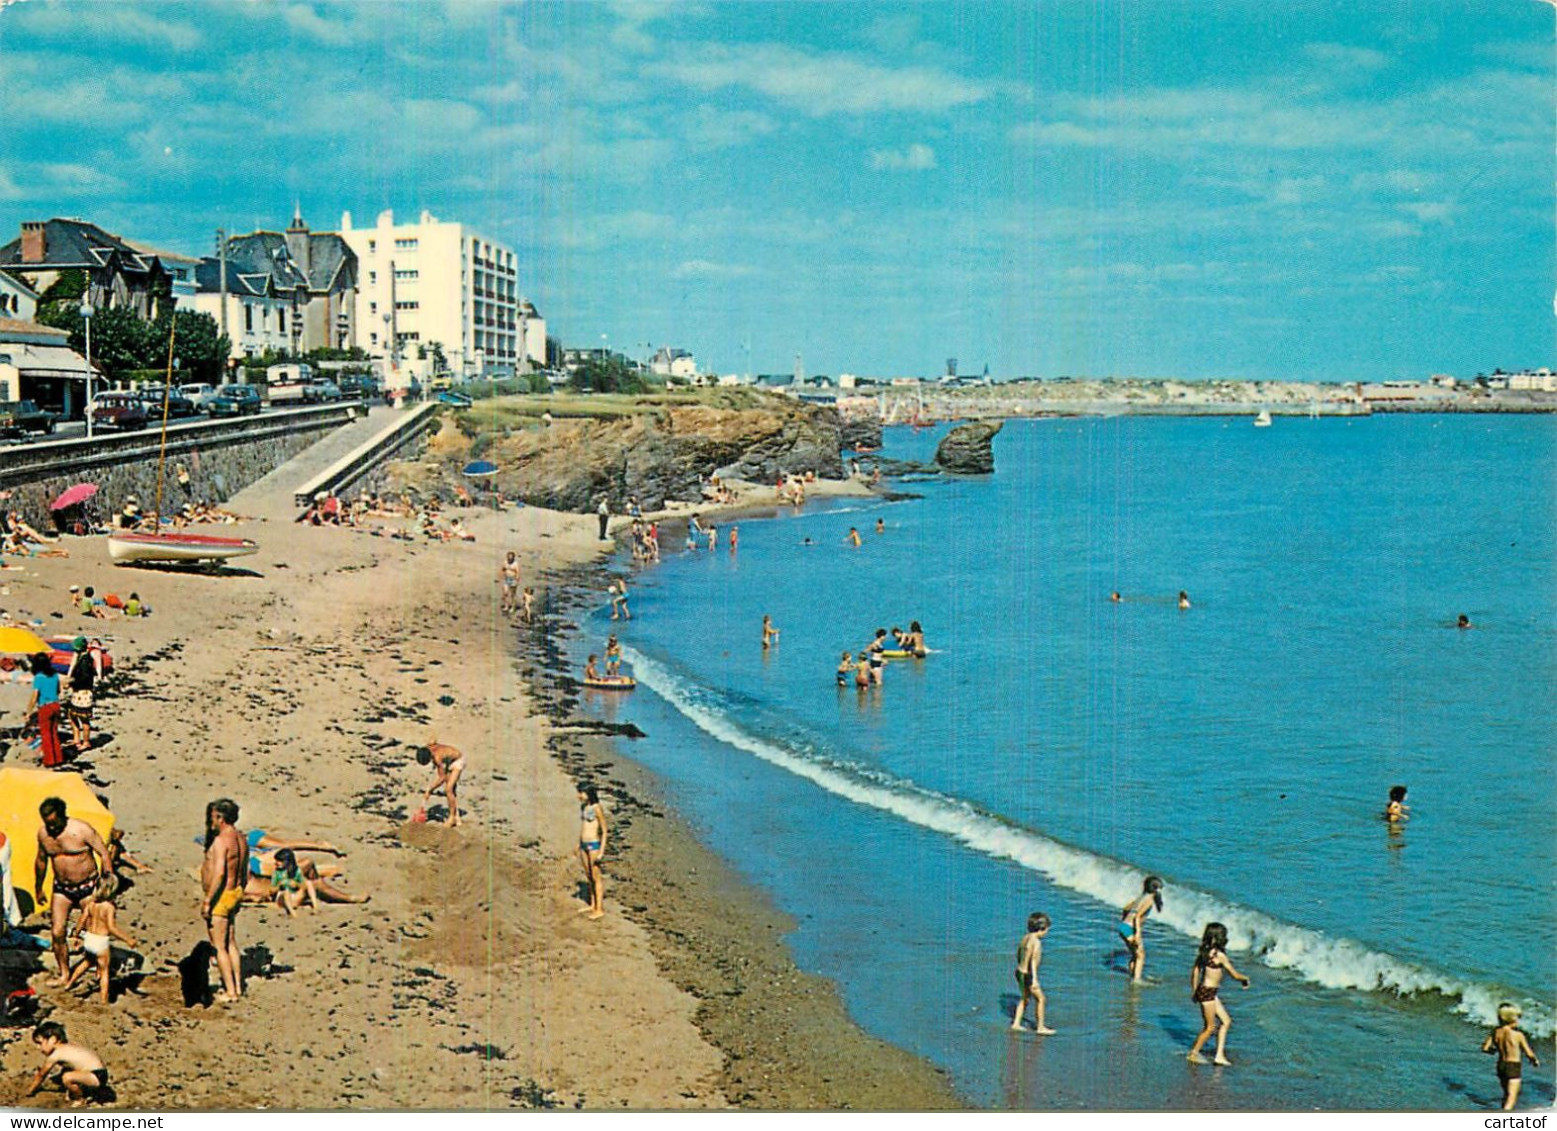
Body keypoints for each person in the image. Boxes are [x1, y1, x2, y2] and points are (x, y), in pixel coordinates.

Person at [35, 797, 110, 985]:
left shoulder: (81, 830)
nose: (51, 828)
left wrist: (106, 882)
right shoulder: (43, 835)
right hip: (62, 888)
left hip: (88, 886)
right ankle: (64, 973)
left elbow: (104, 853)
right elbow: (41, 860)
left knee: (94, 933)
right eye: (47, 823)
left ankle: (99, 969)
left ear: (63, 816)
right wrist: (38, 887)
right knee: (57, 932)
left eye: (54, 823)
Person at [63, 874, 138, 1005]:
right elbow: (111, 927)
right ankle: (103, 1001)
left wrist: (76, 934)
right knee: (104, 972)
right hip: (101, 941)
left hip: (89, 938)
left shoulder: (92, 904)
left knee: (86, 963)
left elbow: (82, 920)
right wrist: (127, 939)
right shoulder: (109, 907)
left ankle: (69, 984)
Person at [202, 798, 248, 1003]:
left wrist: (208, 901)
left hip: (222, 896)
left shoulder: (221, 841)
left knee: (219, 946)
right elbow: (244, 870)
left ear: (220, 818)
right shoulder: (241, 838)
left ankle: (230, 992)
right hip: (236, 892)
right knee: (231, 943)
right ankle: (237, 986)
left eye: (213, 817)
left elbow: (219, 873)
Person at [1186, 922, 1250, 1065]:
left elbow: (1195, 971)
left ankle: (1219, 1055)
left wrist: (1195, 990)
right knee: (1210, 1027)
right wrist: (1245, 979)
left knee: (1226, 1021)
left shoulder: (1204, 953)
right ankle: (1193, 1053)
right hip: (1208, 993)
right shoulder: (1220, 956)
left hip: (1206, 991)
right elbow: (1234, 974)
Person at [26, 1022, 109, 1106]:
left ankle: (80, 1099)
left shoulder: (56, 1054)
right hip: (99, 1073)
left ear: (53, 1040)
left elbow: (42, 1075)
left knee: (67, 1077)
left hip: (96, 1075)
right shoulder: (68, 1047)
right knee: (65, 1072)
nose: (38, 1048)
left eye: (40, 1043)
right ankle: (80, 1091)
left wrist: (30, 1090)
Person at [1483, 1002, 1541, 1110]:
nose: (1518, 1021)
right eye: (1517, 1018)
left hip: (1501, 1065)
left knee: (1506, 1094)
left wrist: (1494, 1051)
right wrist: (1534, 1060)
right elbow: (1528, 1052)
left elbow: (1485, 1048)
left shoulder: (1495, 1032)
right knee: (1512, 1097)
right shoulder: (1518, 1035)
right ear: (1511, 1019)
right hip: (1513, 1066)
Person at [1010, 912, 1056, 1034]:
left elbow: (1019, 953)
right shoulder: (1036, 942)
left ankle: (1016, 1023)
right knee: (1041, 999)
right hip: (1028, 975)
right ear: (1041, 929)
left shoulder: (1025, 938)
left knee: (1024, 998)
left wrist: (1020, 964)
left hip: (1019, 972)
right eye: (1047, 930)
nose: (1047, 933)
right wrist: (1035, 979)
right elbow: (1033, 961)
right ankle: (1040, 1027)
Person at [1119, 876, 1164, 983]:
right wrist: (1137, 933)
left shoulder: (1142, 897)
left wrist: (1124, 920)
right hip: (1130, 927)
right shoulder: (1149, 900)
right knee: (1140, 955)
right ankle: (1136, 980)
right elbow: (1137, 917)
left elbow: (1125, 908)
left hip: (1123, 926)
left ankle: (1133, 975)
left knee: (1135, 954)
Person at [25, 652, 64, 769]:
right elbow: (58, 690)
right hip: (55, 704)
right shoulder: (55, 675)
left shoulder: (39, 677)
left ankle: (49, 760)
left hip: (45, 706)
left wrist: (29, 711)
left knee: (45, 734)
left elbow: (35, 696)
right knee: (54, 732)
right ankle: (58, 758)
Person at [416, 741, 466, 828]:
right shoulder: (429, 748)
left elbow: (441, 778)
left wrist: (430, 790)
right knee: (451, 790)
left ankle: (451, 818)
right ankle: (456, 817)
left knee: (448, 789)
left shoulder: (437, 758)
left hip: (457, 760)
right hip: (448, 761)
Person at [577, 783, 608, 920]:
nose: (579, 796)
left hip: (593, 845)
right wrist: (578, 844)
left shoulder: (597, 808)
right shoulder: (584, 807)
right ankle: (592, 904)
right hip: (583, 844)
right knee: (588, 875)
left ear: (589, 793)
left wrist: (601, 851)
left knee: (596, 877)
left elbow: (605, 830)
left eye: (581, 793)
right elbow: (584, 826)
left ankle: (599, 909)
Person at [63, 638, 100, 756]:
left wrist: (71, 682)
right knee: (72, 714)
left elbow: (83, 678)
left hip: (83, 692)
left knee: (83, 718)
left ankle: (86, 742)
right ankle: (77, 739)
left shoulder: (85, 661)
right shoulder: (84, 658)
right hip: (81, 691)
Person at [267, 849, 319, 916]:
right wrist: (280, 884)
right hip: (283, 898)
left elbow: (302, 884)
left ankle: (315, 907)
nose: (276, 863)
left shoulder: (296, 870)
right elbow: (272, 890)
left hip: (295, 895)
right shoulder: (277, 872)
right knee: (286, 892)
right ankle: (293, 913)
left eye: (280, 861)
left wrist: (296, 884)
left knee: (308, 883)